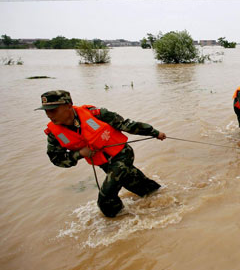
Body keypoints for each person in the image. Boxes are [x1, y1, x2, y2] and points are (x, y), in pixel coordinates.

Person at [37, 90, 166, 218]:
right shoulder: (54, 134)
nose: (49, 115)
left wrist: (154, 132)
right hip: (104, 164)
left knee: (106, 198)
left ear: (68, 105)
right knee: (139, 185)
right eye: (46, 111)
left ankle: (121, 223)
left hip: (122, 154)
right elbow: (57, 159)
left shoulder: (95, 114)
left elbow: (126, 124)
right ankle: (166, 200)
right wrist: (80, 153)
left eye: (53, 110)